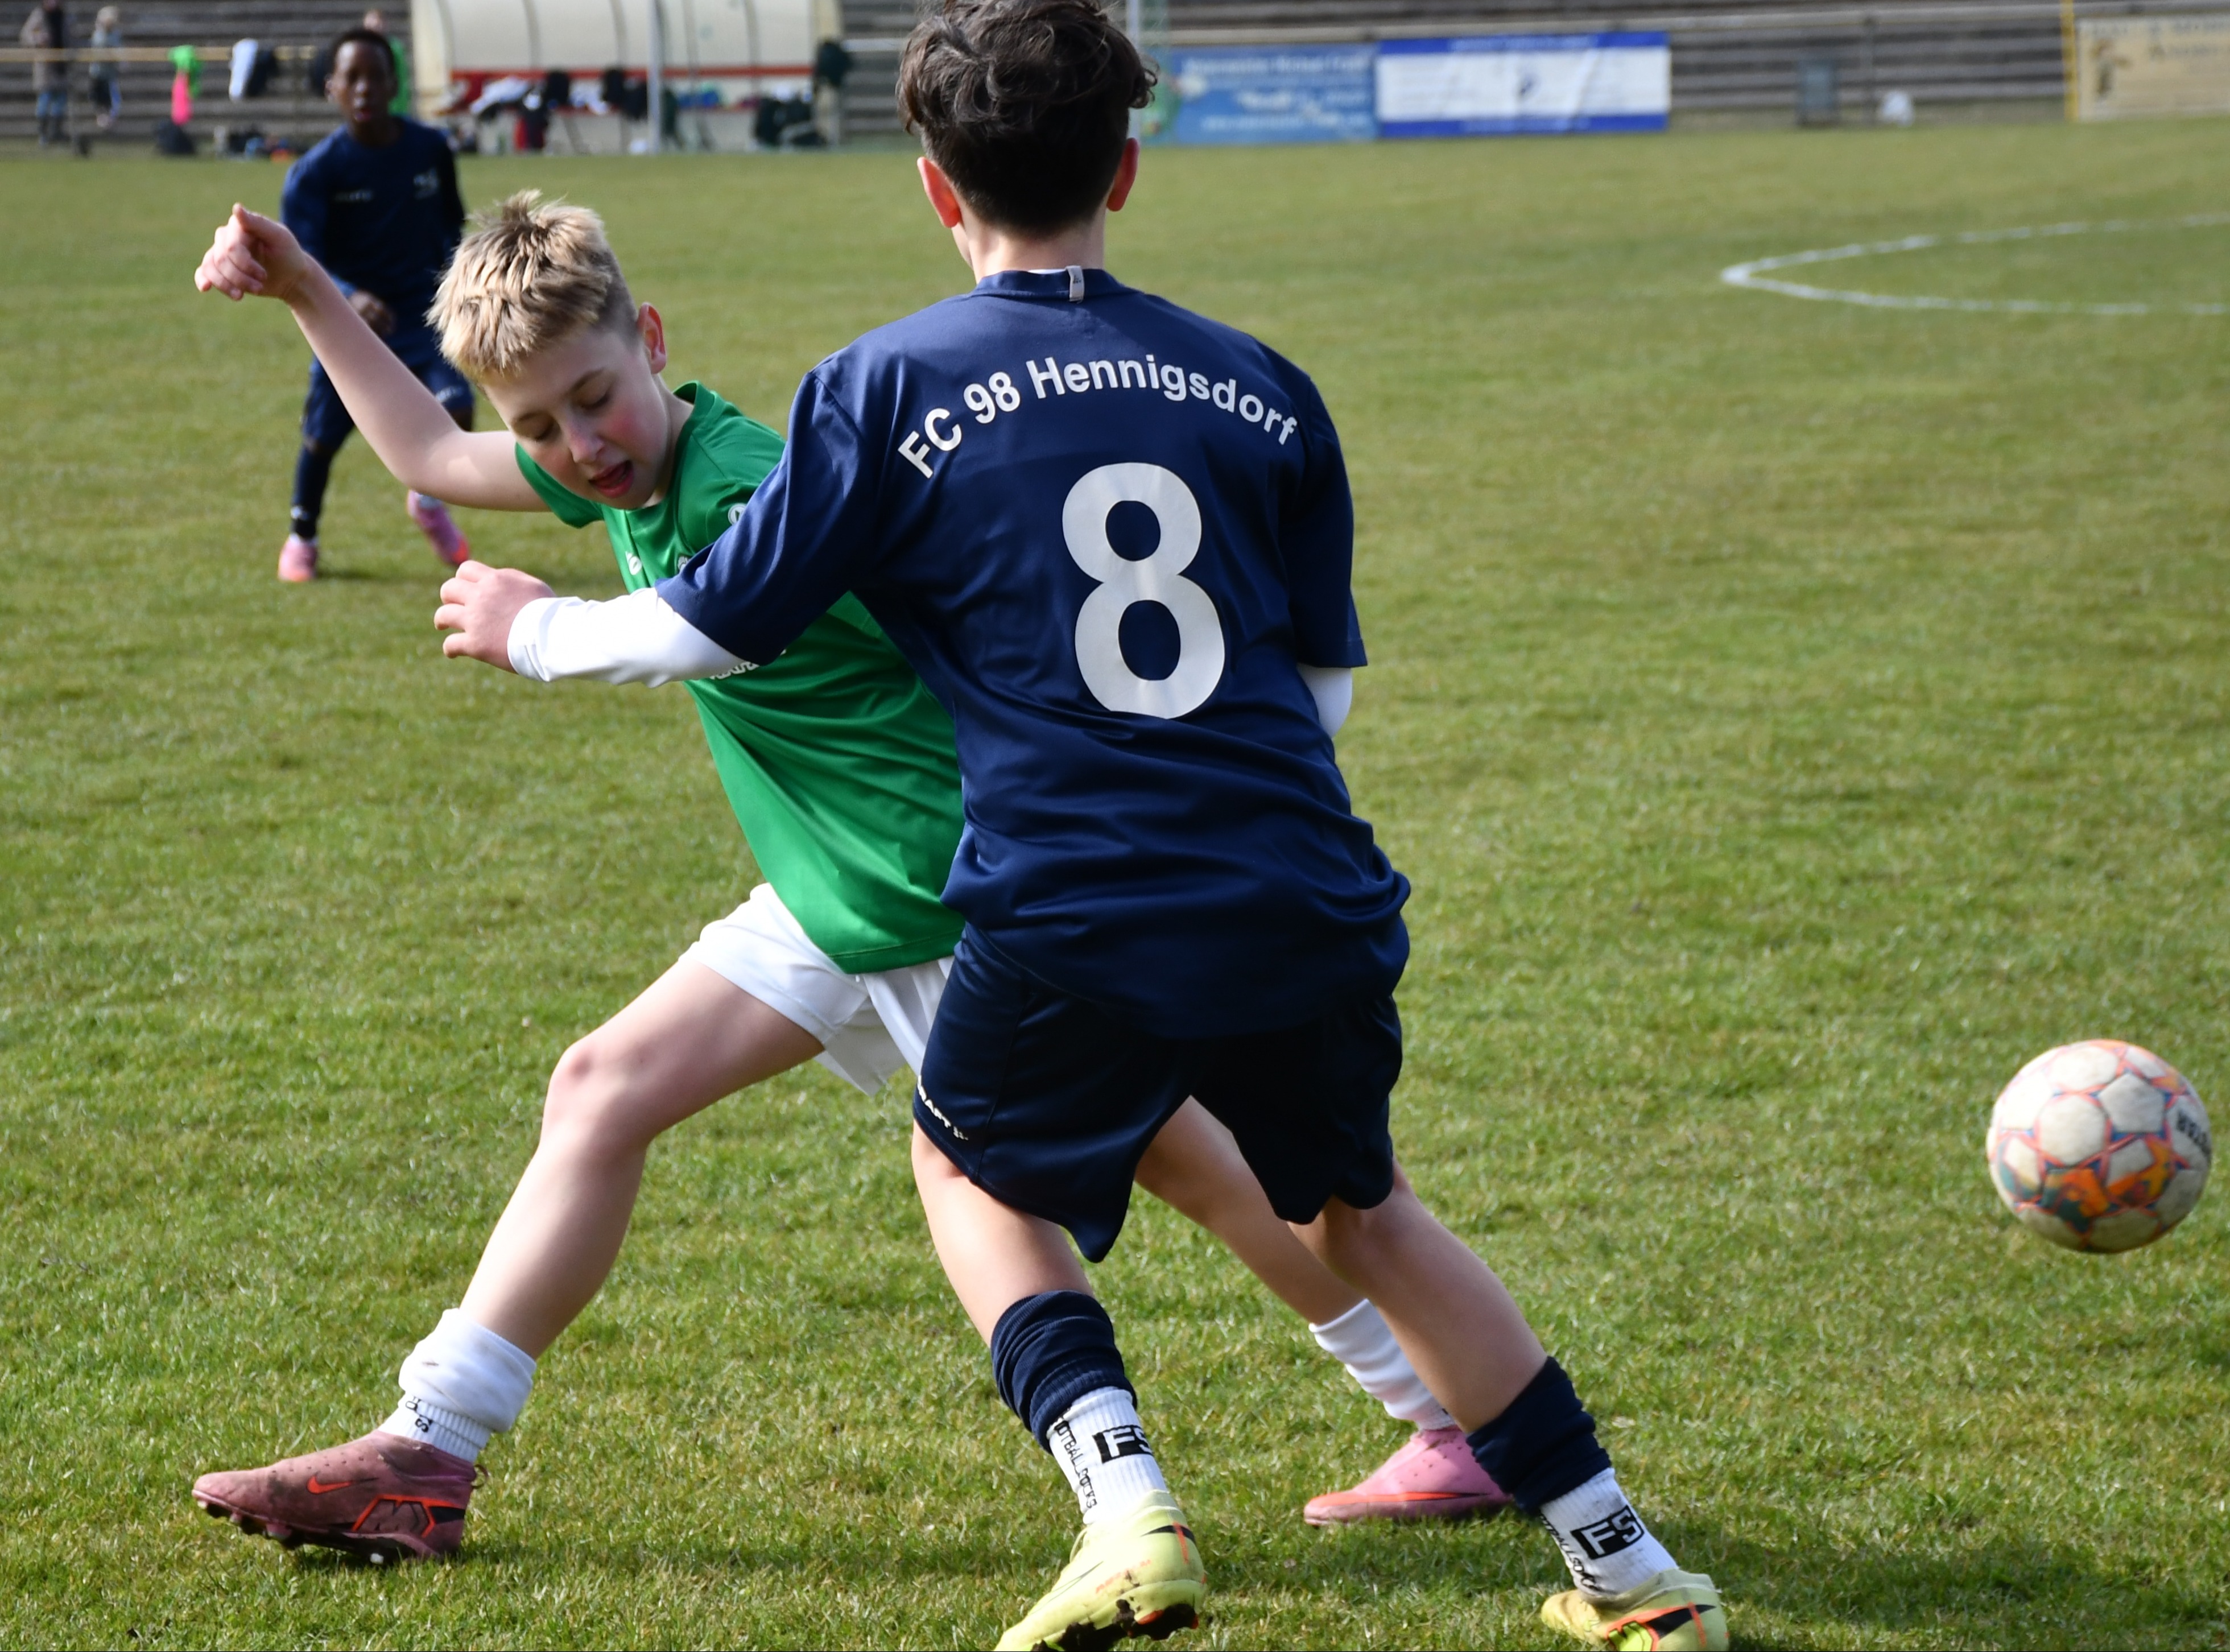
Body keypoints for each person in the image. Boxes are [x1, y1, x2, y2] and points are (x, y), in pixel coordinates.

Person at [426, 1, 1735, 1646]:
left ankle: (1128, 1513)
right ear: (1125, 166)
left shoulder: (881, 385)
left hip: (1073, 889)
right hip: (1298, 874)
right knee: (1365, 1211)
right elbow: (1321, 686)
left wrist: (533, 628)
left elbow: (720, 616)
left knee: (966, 1159)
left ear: (933, 187)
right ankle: (1633, 1573)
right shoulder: (1264, 386)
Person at [185, 190, 1507, 1571]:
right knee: (602, 1085)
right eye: (544, 427)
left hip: (938, 888)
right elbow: (434, 452)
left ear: (650, 340)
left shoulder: (740, 484)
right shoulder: (624, 462)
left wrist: (542, 625)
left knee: (1197, 1169)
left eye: (594, 399)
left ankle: (1432, 1420)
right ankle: (428, 1450)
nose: (581, 448)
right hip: (836, 890)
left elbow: (704, 630)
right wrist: (308, 289)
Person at [276, 24, 472, 584]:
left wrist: (462, 288)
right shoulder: (315, 173)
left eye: (375, 76)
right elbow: (300, 262)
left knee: (457, 407)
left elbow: (452, 228)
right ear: (332, 87)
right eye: (351, 77)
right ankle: (302, 536)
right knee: (322, 437)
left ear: (393, 85)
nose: (364, 88)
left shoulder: (430, 150)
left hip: (424, 318)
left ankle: (428, 501)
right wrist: (348, 296)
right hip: (349, 329)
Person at [20, 0, 67, 148]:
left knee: (60, 100)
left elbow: (69, 36)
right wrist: (38, 39)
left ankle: (56, 132)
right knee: (45, 99)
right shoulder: (39, 15)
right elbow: (25, 34)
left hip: (61, 65)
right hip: (45, 66)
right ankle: (43, 134)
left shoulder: (63, 15)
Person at [86, 5, 119, 131]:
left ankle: (109, 121)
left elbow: (118, 51)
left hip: (109, 74)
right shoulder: (99, 35)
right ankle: (102, 119)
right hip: (98, 73)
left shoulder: (115, 35)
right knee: (98, 99)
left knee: (111, 100)